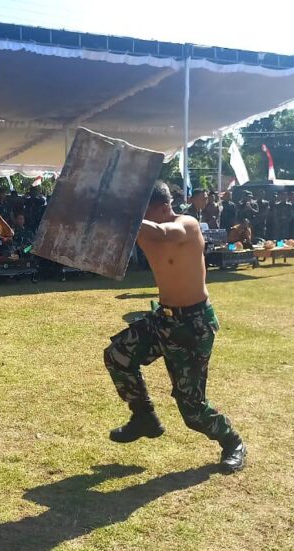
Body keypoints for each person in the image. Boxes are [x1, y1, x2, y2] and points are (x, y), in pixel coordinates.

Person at [103, 182, 246, 474]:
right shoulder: (144, 228)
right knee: (117, 355)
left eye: (143, 210)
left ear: (161, 207)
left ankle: (233, 442)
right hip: (163, 320)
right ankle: (144, 418)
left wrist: (126, 215)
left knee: (192, 410)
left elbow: (165, 233)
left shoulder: (187, 224)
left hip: (193, 325)